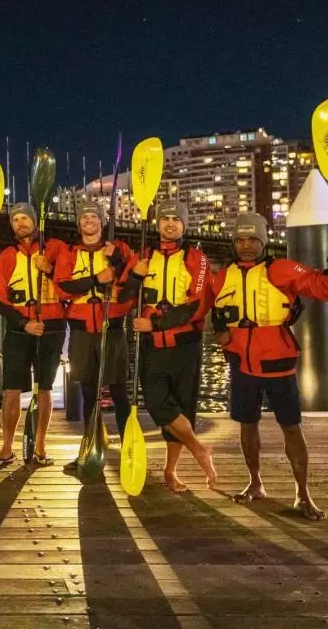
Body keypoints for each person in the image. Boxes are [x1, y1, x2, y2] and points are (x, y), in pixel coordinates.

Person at [212, 212, 328, 520]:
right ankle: (255, 482)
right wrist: (217, 329)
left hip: (277, 363)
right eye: (240, 239)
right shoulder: (222, 276)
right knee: (246, 425)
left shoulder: (282, 269)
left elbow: (322, 287)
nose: (246, 245)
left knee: (291, 427)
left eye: (252, 239)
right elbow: (209, 308)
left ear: (262, 240)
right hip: (241, 363)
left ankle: (303, 494)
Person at [121, 199, 218, 492]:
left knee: (181, 406)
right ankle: (199, 449)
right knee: (156, 402)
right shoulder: (144, 256)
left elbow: (198, 304)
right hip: (152, 346)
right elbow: (126, 296)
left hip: (185, 344)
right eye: (165, 219)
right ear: (157, 224)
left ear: (184, 225)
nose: (170, 223)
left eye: (177, 219)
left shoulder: (196, 258)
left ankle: (170, 471)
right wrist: (136, 274)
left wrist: (157, 323)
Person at [55, 198, 134, 472]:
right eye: (85, 218)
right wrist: (95, 280)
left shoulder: (119, 249)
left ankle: (129, 450)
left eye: (94, 217)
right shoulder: (69, 253)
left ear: (102, 222)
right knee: (88, 392)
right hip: (81, 332)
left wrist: (118, 261)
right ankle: (89, 449)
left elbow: (133, 281)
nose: (90, 221)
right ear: (79, 224)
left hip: (110, 329)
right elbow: (63, 287)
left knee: (119, 391)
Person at [0, 202, 69, 469]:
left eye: (25, 218)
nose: (20, 223)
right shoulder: (8, 256)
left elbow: (69, 286)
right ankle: (7, 448)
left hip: (51, 327)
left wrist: (51, 269)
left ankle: (41, 446)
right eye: (16, 220)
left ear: (36, 221)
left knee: (44, 388)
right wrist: (23, 323)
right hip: (18, 329)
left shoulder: (55, 248)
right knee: (11, 389)